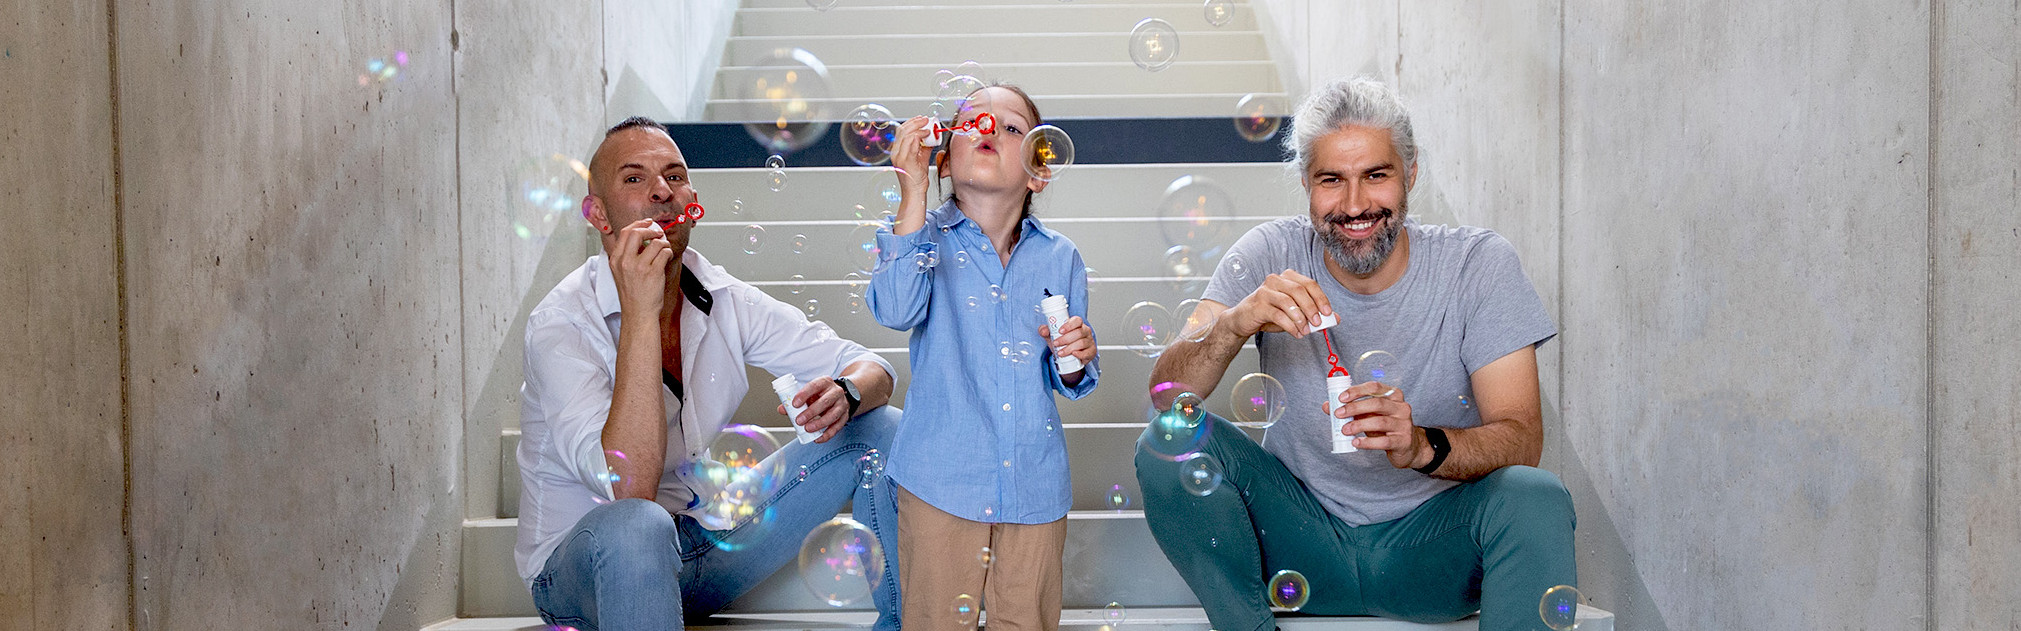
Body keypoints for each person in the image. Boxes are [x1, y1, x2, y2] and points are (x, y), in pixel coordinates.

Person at [1137, 77, 1576, 631]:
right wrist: (1234, 323)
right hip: (1298, 542)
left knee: (1535, 495)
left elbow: (1522, 438)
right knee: (1169, 437)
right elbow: (1169, 395)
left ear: (1410, 174)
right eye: (1331, 180)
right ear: (1306, 184)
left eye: (1376, 175)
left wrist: (1421, 445)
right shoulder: (1269, 252)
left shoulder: (1478, 266)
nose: (1354, 204)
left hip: (1430, 550)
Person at [515, 117, 902, 631]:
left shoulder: (721, 295)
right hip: (589, 568)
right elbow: (628, 488)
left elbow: (875, 367)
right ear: (598, 214)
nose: (660, 191)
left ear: (693, 199)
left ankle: (908, 623)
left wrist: (846, 391)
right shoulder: (561, 324)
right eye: (634, 179)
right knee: (638, 524)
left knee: (881, 428)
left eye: (674, 177)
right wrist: (639, 311)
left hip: (697, 546)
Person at [868, 84, 1100, 631]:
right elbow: (896, 309)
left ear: (1038, 172)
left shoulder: (1060, 255)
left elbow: (1068, 377)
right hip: (938, 485)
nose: (990, 130)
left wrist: (1075, 353)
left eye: (1012, 127)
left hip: (1035, 490)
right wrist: (911, 189)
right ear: (945, 157)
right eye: (975, 122)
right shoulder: (921, 237)